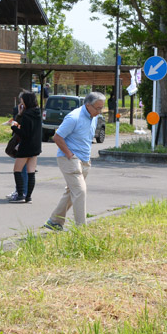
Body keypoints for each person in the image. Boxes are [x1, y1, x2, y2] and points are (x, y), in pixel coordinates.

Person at [43, 91, 106, 230]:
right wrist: (70, 155)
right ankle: (81, 229)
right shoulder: (74, 117)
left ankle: (54, 221)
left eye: (102, 108)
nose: (99, 111)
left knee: (71, 192)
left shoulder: (94, 117)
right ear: (88, 105)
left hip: (84, 159)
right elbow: (57, 137)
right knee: (80, 191)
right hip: (69, 159)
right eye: (97, 108)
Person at [10, 91, 42, 203]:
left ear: (26, 101)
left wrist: (13, 127)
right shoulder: (37, 112)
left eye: (22, 101)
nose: (21, 103)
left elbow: (24, 133)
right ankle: (28, 197)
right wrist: (20, 114)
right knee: (31, 171)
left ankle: (20, 195)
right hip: (36, 146)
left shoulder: (27, 115)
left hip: (26, 146)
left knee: (17, 170)